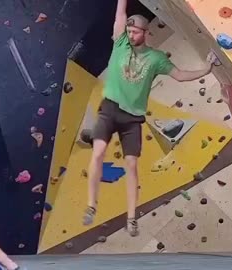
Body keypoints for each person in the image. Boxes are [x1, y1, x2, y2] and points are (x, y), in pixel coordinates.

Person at [83, 0, 215, 236]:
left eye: (135, 32)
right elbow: (120, 13)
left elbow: (181, 76)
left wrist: (206, 69)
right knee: (98, 152)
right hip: (110, 108)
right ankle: (91, 206)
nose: (131, 35)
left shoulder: (156, 59)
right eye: (129, 31)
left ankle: (132, 218)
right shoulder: (120, 42)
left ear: (146, 33)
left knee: (132, 165)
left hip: (132, 118)